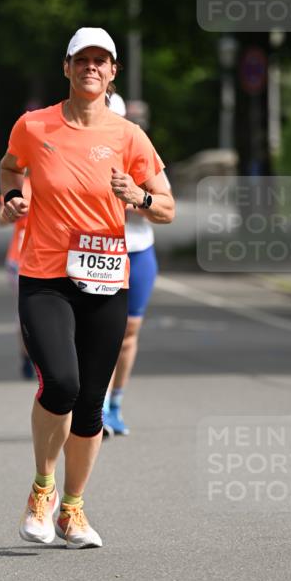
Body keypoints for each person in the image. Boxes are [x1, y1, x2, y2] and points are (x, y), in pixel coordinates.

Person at [0, 27, 175, 549]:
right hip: (46, 276)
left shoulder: (129, 136)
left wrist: (138, 196)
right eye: (83, 60)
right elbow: (12, 165)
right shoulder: (35, 126)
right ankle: (42, 487)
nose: (91, 68)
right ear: (67, 67)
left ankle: (73, 509)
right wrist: (13, 195)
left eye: (102, 61)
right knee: (61, 382)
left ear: (113, 71)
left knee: (92, 402)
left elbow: (166, 207)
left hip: (105, 277)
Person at [102, 94, 160, 437]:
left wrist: (136, 199)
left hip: (137, 249)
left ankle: (115, 405)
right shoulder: (79, 149)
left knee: (128, 333)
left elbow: (162, 203)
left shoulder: (138, 148)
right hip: (98, 250)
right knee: (99, 331)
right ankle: (95, 406)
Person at [0, 176, 34, 379]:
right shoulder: (22, 184)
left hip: (56, 259)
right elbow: (0, 219)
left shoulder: (63, 177)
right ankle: (27, 357)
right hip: (19, 260)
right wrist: (15, 211)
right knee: (27, 313)